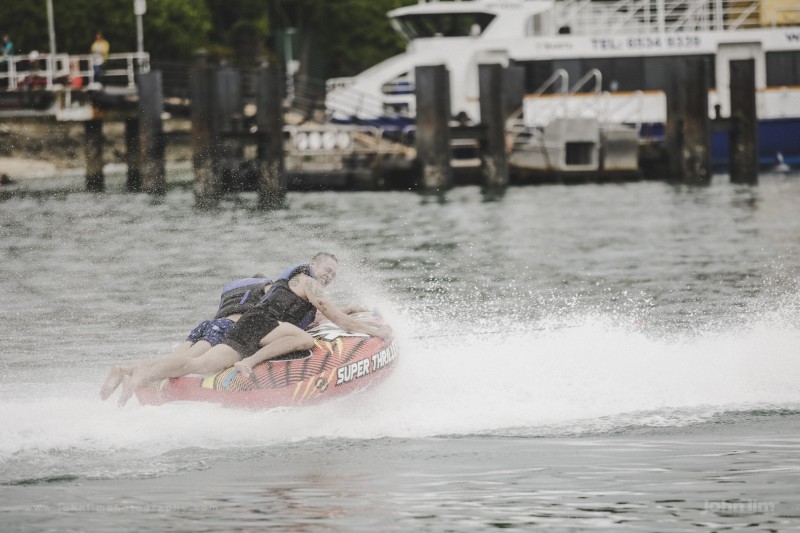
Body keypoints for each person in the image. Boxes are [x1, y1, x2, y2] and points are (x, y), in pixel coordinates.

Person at [117, 253, 390, 406]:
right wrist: (373, 331)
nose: (330, 275)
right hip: (260, 324)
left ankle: (139, 375)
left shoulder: (305, 293)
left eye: (334, 274)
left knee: (199, 365)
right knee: (303, 339)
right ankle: (249, 362)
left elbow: (327, 315)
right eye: (327, 269)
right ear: (313, 264)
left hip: (253, 327)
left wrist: (352, 308)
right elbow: (334, 316)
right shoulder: (306, 280)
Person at [99, 274, 273, 400]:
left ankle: (124, 371)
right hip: (228, 328)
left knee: (175, 360)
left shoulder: (234, 288)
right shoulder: (266, 287)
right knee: (188, 362)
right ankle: (142, 377)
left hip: (208, 325)